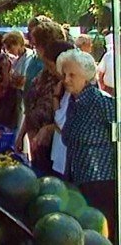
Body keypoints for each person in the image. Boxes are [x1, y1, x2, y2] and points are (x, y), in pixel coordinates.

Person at [57, 49, 115, 241]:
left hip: (101, 181)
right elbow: (68, 136)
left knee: (102, 231)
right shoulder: (73, 102)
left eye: (72, 74)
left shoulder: (102, 102)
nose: (66, 79)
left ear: (87, 75)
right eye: (64, 74)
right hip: (77, 179)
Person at [16, 21, 67, 173]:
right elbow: (32, 105)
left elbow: (68, 117)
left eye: (36, 44)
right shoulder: (42, 73)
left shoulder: (64, 76)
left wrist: (49, 129)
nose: (34, 48)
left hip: (54, 146)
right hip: (37, 142)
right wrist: (23, 133)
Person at [2, 31, 34, 130]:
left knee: (19, 123)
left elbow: (22, 80)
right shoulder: (17, 59)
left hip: (23, 95)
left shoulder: (29, 56)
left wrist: (14, 79)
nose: (8, 50)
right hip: (16, 95)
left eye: (10, 47)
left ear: (18, 44)